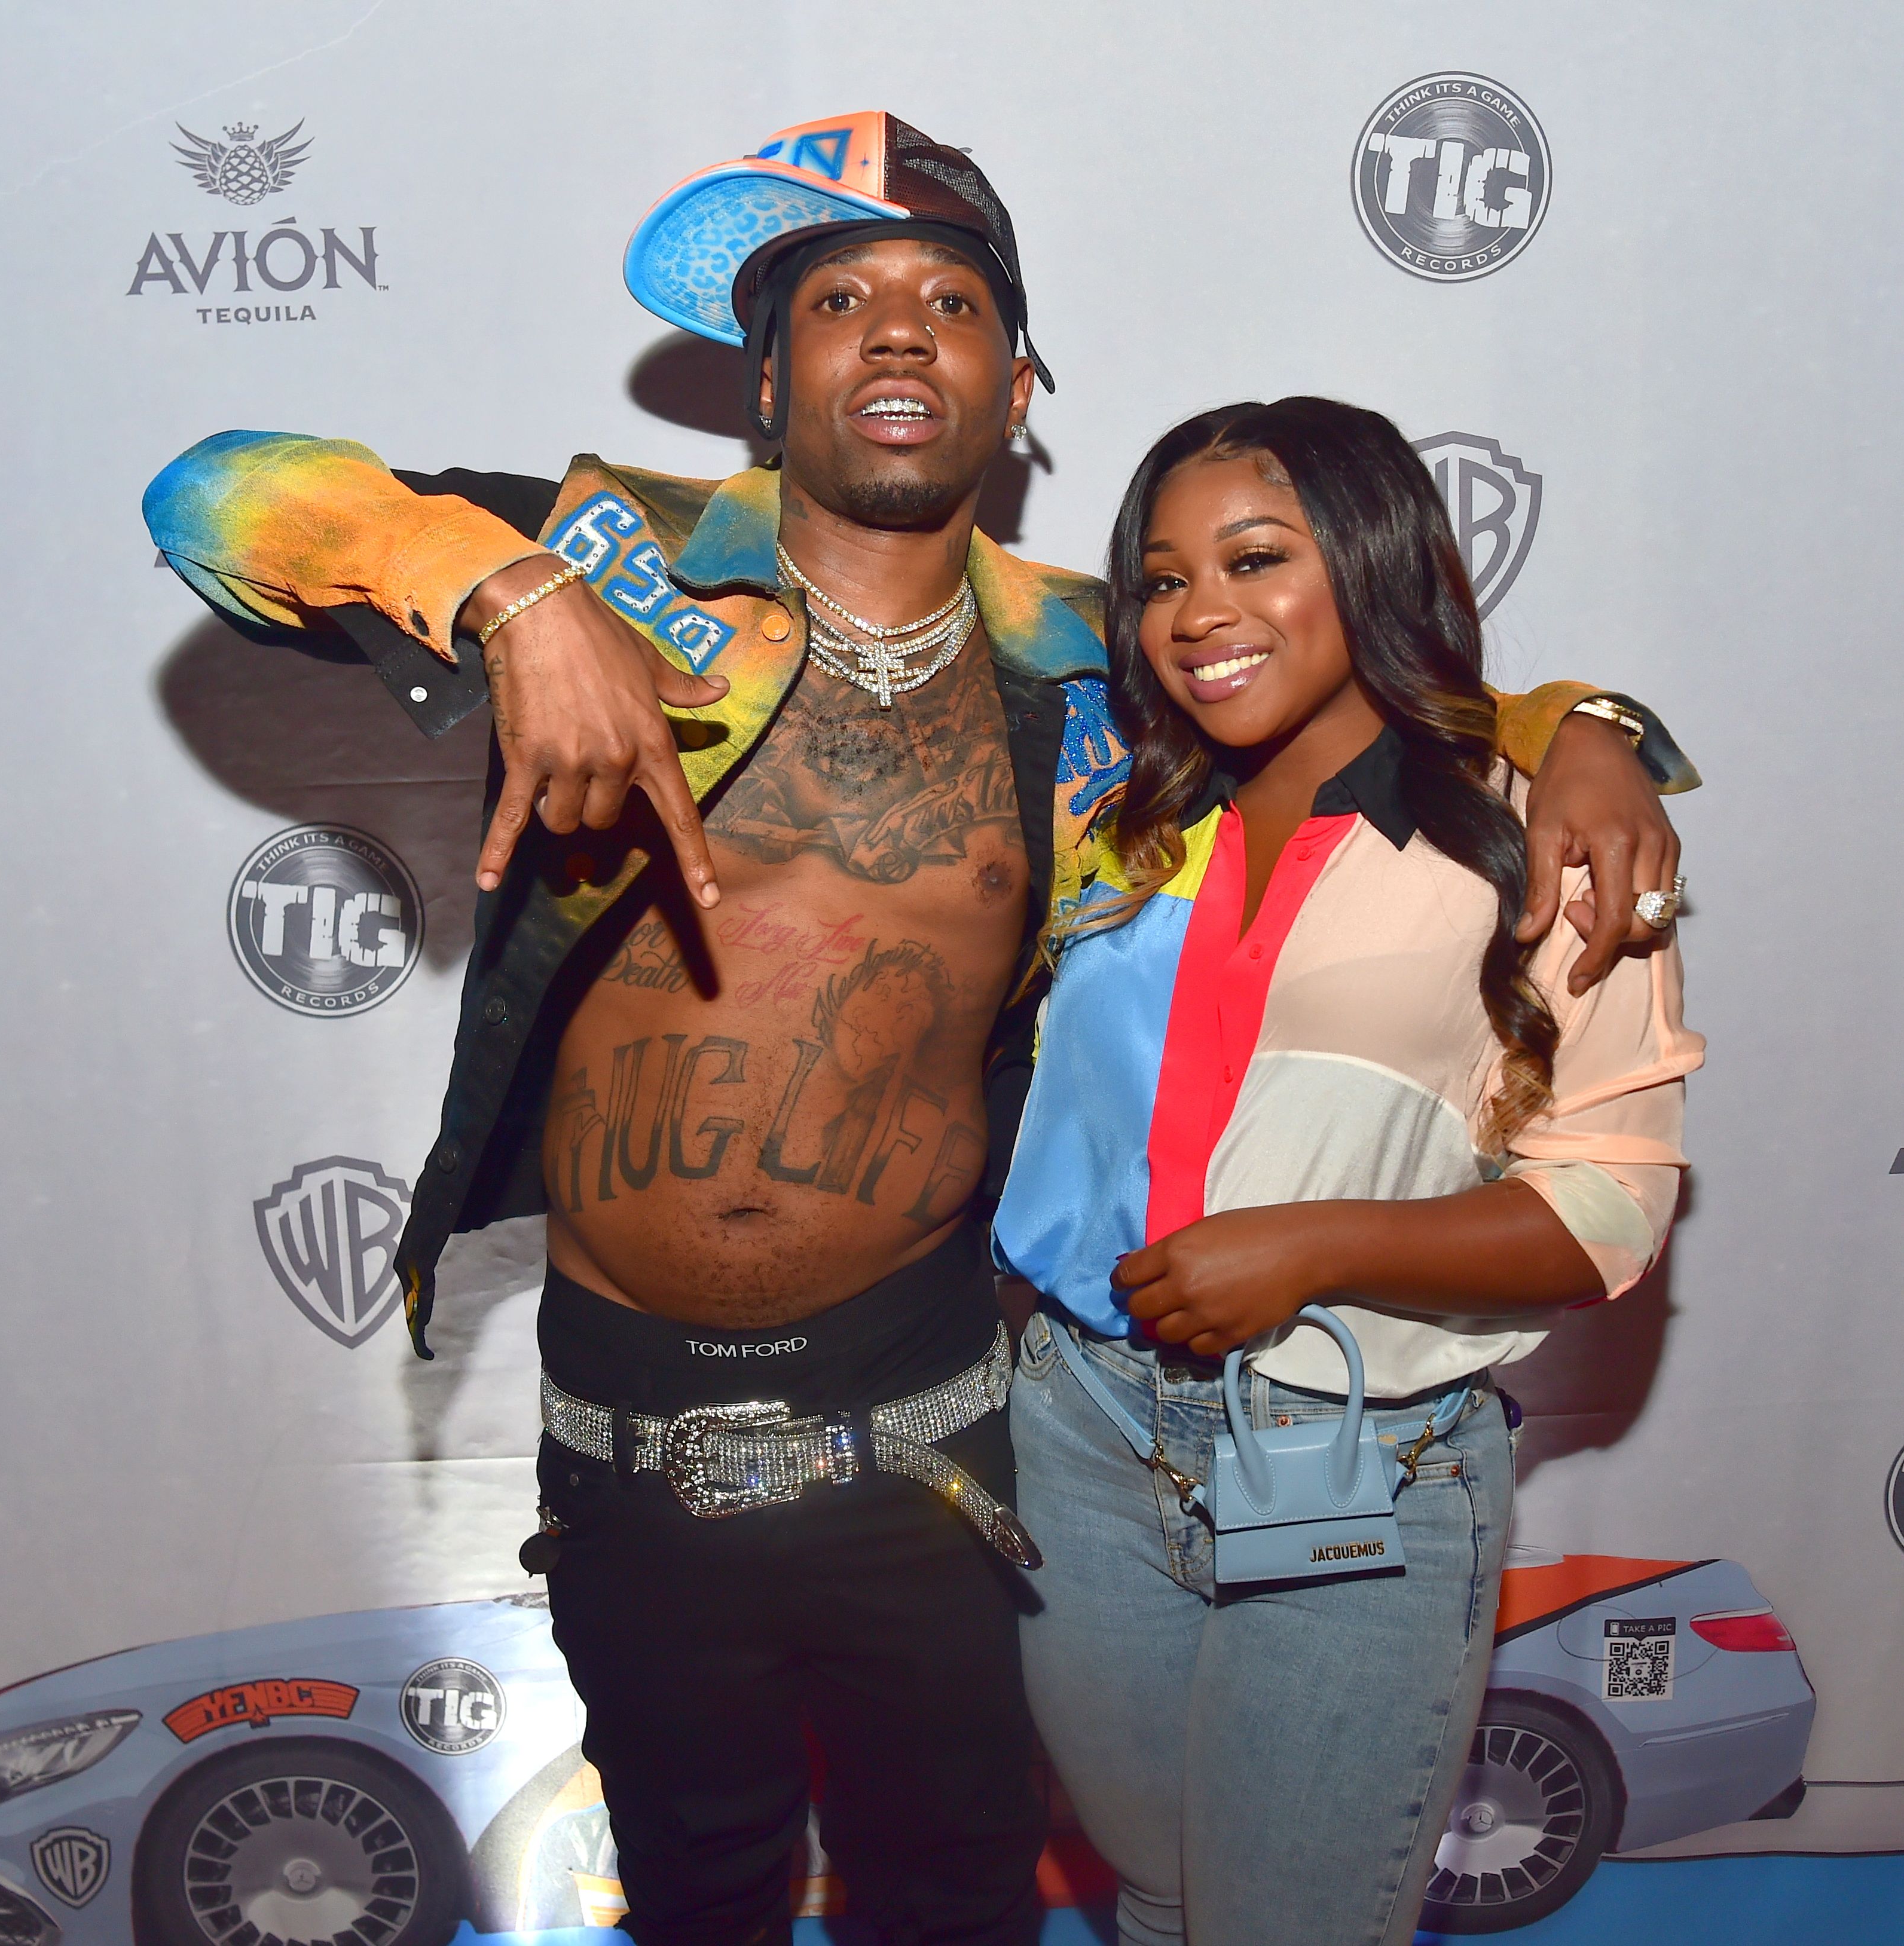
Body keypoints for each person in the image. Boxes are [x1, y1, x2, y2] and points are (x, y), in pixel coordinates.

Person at [143, 114, 1692, 1946]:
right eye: (838, 298)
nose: (896, 328)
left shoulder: (1107, 666)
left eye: (950, 300)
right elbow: (215, 495)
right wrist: (507, 594)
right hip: (628, 1436)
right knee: (699, 1899)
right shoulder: (589, 556)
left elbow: (1378, 688)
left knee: (955, 1903)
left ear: (1015, 388)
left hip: (945, 1434)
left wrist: (1596, 727)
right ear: (765, 382)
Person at [991, 396, 1701, 1945]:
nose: (1201, 613)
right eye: (1163, 579)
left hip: (1359, 1455)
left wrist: (1314, 1244)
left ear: (1374, 559)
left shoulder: (1544, 839)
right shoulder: (1120, 807)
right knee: (1159, 1898)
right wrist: (1595, 712)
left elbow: (1608, 1208)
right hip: (1081, 1430)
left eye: (1257, 558)